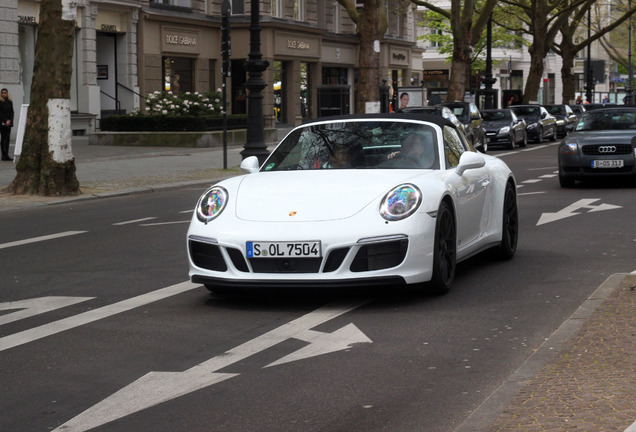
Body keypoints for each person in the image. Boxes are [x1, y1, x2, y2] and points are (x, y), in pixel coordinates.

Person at [0, 88, 14, 161]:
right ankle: (3, 155)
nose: (3, 94)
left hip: (9, 123)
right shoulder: (0, 102)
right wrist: (5, 121)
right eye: (2, 93)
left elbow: (12, 112)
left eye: (5, 93)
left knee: (7, 139)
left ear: (7, 94)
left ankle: (7, 155)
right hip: (2, 123)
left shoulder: (9, 102)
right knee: (3, 139)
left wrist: (10, 120)